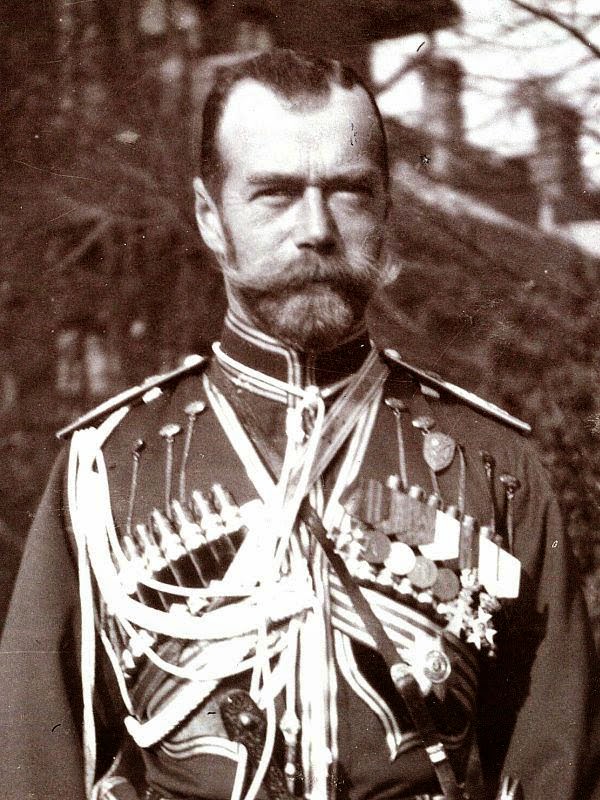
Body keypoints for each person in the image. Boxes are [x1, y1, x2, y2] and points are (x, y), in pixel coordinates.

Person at [0, 48, 598, 800]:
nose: (315, 229)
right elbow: (34, 770)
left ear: (385, 210)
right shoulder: (106, 470)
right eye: (276, 194)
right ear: (210, 217)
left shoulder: (494, 469)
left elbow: (557, 769)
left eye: (348, 192)